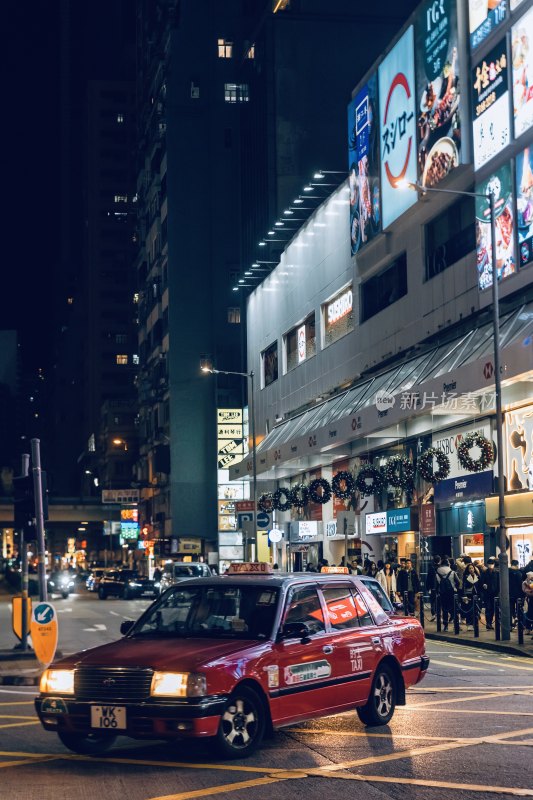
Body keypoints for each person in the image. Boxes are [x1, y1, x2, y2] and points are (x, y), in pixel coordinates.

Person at [436, 558, 460, 631]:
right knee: (454, 608)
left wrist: (438, 592)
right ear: (448, 564)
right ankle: (456, 625)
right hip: (452, 593)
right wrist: (455, 588)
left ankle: (445, 626)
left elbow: (436, 585)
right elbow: (458, 582)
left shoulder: (437, 573)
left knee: (444, 609)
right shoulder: (452, 572)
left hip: (442, 593)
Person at [481, 557, 499, 630]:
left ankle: (490, 622)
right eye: (489, 564)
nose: (490, 565)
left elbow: (498, 584)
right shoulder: (484, 573)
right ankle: (488, 623)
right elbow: (481, 582)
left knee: (493, 609)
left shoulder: (496, 573)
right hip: (487, 593)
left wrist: (498, 592)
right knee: (488, 608)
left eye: (492, 564)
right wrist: (483, 585)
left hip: (495, 593)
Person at [461, 562, 481, 631]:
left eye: (472, 568)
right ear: (468, 569)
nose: (471, 569)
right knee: (469, 610)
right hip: (469, 595)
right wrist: (464, 596)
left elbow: (479, 586)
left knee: (475, 610)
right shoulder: (465, 577)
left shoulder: (477, 576)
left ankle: (475, 624)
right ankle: (469, 624)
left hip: (476, 595)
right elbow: (463, 587)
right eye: (470, 568)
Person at [425, 555, 441, 621]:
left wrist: (428, 587)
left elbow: (428, 579)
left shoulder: (431, 568)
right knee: (439, 601)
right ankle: (438, 614)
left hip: (433, 587)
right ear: (439, 560)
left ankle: (433, 614)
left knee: (433, 601)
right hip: (440, 587)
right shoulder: (440, 568)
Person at [509, 559, 524, 628]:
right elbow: (520, 584)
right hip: (518, 593)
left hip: (510, 593)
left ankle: (513, 620)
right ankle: (518, 621)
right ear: (517, 565)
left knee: (511, 608)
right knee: (519, 608)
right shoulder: (519, 573)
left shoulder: (507, 572)